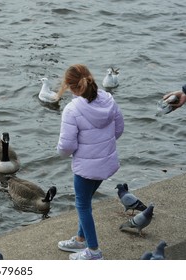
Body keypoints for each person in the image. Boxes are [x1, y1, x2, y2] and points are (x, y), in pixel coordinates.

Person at [56, 64, 124, 260]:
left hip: (85, 168)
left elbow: (66, 146)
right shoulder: (108, 99)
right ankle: (80, 239)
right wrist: (103, 147)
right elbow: (119, 129)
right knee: (85, 201)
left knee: (82, 205)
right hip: (105, 163)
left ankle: (94, 252)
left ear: (69, 86)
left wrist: (61, 152)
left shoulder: (72, 109)